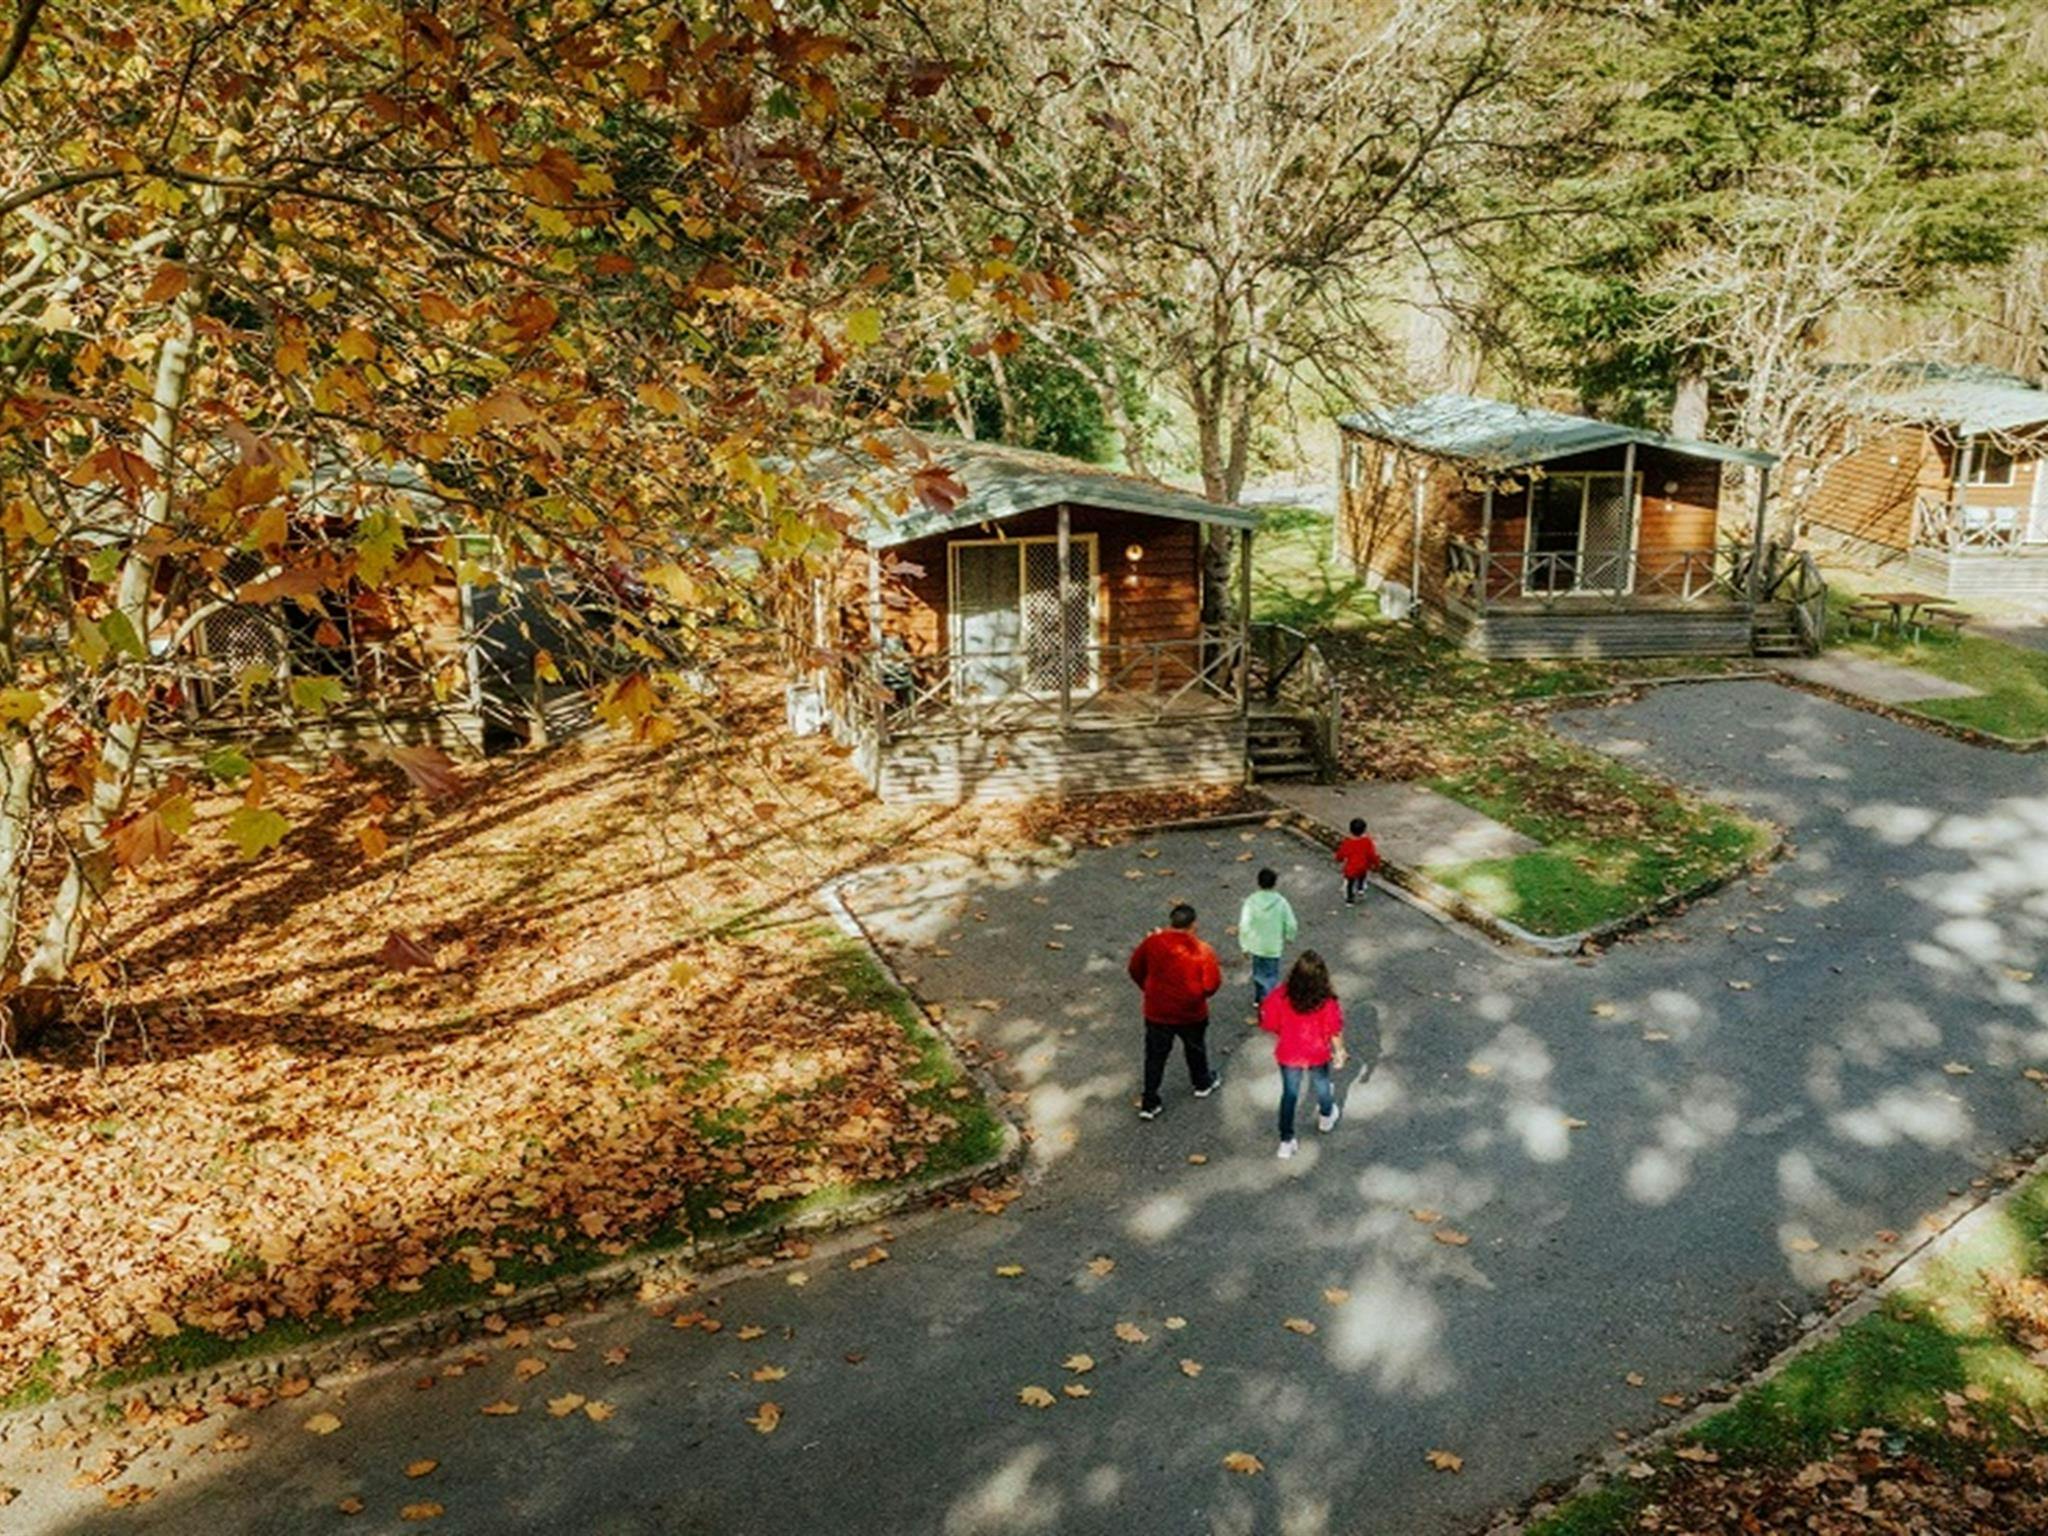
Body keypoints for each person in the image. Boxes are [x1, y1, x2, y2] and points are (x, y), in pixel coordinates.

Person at [1127, 903, 1223, 1122]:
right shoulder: (1202, 951)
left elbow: (1134, 967)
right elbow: (1212, 984)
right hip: (1191, 1013)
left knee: (1155, 1056)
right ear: (1193, 925)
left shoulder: (1152, 943)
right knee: (1195, 1048)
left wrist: (1149, 988)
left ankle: (1149, 1101)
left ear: (1171, 922)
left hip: (1157, 1012)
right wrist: (1197, 996)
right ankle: (1202, 1082)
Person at [1258, 949, 1345, 1159]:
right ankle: (1326, 1116)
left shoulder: (1281, 995)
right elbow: (1334, 1029)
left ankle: (1286, 1140)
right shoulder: (1326, 1001)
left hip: (1289, 1052)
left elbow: (1268, 1022)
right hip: (1316, 1052)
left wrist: (1283, 1032)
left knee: (1290, 1094)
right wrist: (1340, 1051)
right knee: (1322, 1084)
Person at [1237, 867, 1298, 1011]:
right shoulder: (1281, 902)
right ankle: (1269, 1005)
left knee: (1258, 973)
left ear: (1258, 883)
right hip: (1273, 946)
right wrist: (1290, 936)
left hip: (1256, 945)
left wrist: (1244, 946)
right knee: (1271, 976)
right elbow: (1291, 923)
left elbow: (1244, 925)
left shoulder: (1251, 901)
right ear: (1275, 883)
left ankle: (1259, 998)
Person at [1336, 818, 1380, 906]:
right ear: (1364, 830)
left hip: (1351, 868)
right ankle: (1360, 889)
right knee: (1362, 877)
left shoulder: (1347, 843)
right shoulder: (1367, 842)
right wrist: (1376, 864)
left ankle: (1350, 899)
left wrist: (1339, 859)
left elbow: (1341, 854)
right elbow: (1371, 854)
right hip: (1363, 866)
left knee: (1350, 884)